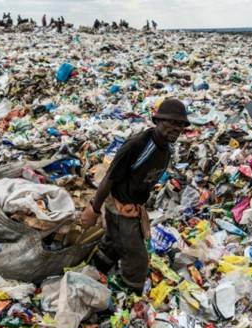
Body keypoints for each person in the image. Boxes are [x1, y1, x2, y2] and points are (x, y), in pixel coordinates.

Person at [80, 98, 190, 293]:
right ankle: (130, 296)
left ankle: (95, 271)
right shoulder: (138, 144)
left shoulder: (165, 148)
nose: (176, 128)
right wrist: (94, 209)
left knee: (113, 242)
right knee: (137, 259)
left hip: (133, 206)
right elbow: (110, 178)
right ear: (158, 121)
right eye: (171, 122)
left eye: (180, 124)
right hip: (121, 206)